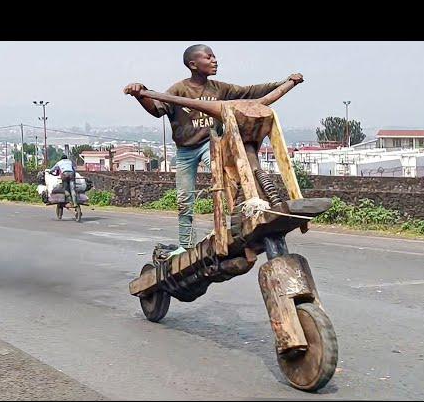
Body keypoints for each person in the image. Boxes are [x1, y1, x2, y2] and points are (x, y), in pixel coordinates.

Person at [124, 44, 303, 256]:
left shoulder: (220, 89)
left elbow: (251, 92)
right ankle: (186, 245)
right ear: (193, 64)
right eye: (208, 57)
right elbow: (156, 109)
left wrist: (286, 82)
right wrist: (140, 94)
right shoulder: (178, 90)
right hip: (186, 151)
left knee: (230, 179)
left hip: (212, 146)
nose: (214, 60)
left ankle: (239, 220)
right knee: (184, 199)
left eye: (214, 56)